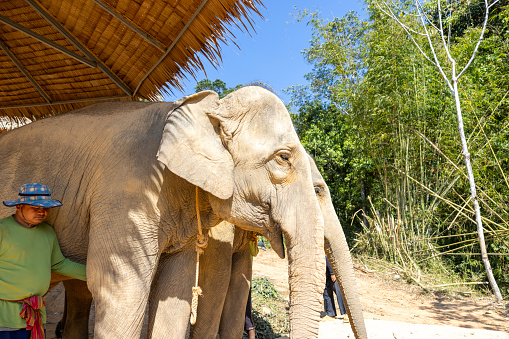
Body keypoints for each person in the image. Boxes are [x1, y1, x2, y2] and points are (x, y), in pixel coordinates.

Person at [0, 183, 87, 339]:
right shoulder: (2, 230)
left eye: (46, 208)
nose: (42, 212)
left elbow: (59, 264)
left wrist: (96, 275)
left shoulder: (47, 233)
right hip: (4, 318)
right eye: (36, 208)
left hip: (35, 316)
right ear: (19, 206)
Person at [322, 255, 348, 322]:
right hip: (324, 273)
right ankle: (330, 314)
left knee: (339, 292)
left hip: (332, 272)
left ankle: (347, 314)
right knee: (327, 292)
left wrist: (332, 272)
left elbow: (329, 258)